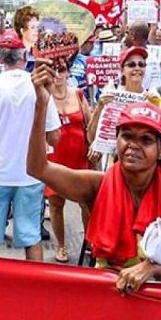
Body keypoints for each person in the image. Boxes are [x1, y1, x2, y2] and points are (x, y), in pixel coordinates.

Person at [28, 65, 161, 290]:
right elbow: (37, 168)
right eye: (127, 136)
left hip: (157, 308)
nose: (133, 145)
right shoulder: (97, 186)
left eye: (146, 140)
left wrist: (152, 269)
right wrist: (41, 104)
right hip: (106, 299)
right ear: (116, 141)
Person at [0, 31, 61, 262]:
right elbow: (55, 138)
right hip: (30, 176)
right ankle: (33, 291)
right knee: (31, 238)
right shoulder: (38, 87)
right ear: (24, 56)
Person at [44, 57, 92, 263]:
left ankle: (90, 242)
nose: (57, 74)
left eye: (61, 69)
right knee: (55, 204)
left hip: (79, 158)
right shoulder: (43, 98)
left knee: (86, 204)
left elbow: (90, 125)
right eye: (53, 70)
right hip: (54, 160)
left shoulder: (79, 94)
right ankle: (61, 245)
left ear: (68, 71)